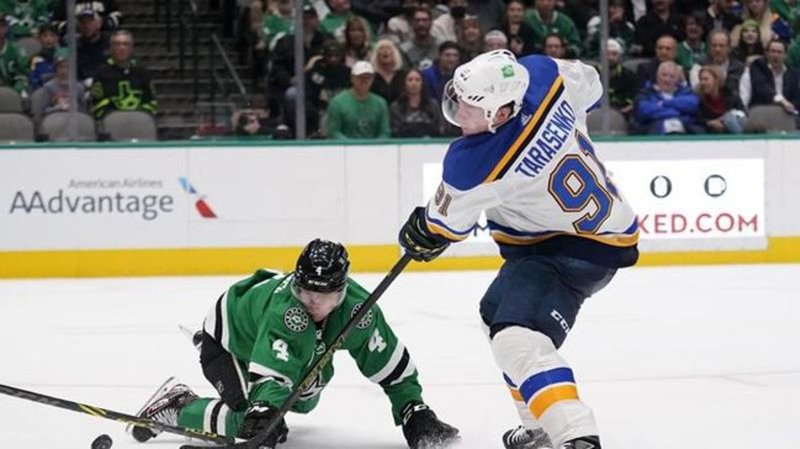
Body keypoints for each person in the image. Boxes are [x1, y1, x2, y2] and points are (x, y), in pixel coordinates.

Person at [397, 49, 639, 449]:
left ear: (501, 113)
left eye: (470, 107)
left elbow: (443, 227)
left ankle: (577, 436)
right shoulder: (542, 73)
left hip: (571, 248)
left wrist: (420, 230)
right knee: (494, 313)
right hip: (589, 229)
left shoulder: (475, 161)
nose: (458, 112)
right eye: (457, 98)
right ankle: (537, 426)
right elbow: (591, 83)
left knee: (518, 337)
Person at [130, 239, 459, 449]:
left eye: (323, 295)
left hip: (279, 343)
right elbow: (274, 375)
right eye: (305, 291)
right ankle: (178, 406)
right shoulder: (287, 313)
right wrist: (264, 410)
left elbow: (388, 363)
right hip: (228, 341)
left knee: (301, 403)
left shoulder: (359, 311)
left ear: (342, 292)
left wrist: (413, 408)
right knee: (249, 423)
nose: (312, 301)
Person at [90, 30, 156, 119]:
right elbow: (96, 104)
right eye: (117, 44)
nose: (121, 48)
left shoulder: (142, 73)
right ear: (111, 48)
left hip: (139, 122)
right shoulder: (101, 74)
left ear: (132, 48)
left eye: (126, 44)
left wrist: (140, 116)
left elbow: (151, 102)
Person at [326, 60, 390, 139]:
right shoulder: (337, 103)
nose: (364, 81)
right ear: (352, 78)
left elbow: (384, 132)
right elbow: (334, 132)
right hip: (345, 146)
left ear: (373, 79)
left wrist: (373, 144)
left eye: (368, 77)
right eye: (360, 77)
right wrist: (352, 144)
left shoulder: (381, 103)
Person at [634, 61, 700, 134]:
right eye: (664, 75)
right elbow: (644, 111)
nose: (667, 79)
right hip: (656, 133)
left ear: (677, 79)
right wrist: (679, 113)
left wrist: (663, 103)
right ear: (657, 76)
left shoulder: (685, 91)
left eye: (672, 76)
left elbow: (693, 105)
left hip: (685, 133)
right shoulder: (646, 92)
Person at [739, 39, 800, 113]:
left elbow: (796, 98)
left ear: (786, 55)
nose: (775, 55)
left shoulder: (793, 74)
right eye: (772, 51)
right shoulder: (758, 67)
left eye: (779, 52)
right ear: (767, 54)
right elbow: (761, 87)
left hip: (786, 114)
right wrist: (782, 101)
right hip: (762, 112)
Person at [390, 68, 443, 137]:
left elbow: (440, 128)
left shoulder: (433, 105)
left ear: (423, 83)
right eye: (410, 80)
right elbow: (394, 131)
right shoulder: (396, 107)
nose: (414, 83)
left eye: (417, 80)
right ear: (404, 83)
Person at [696, 65, 747, 133]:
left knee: (729, 118)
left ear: (716, 80)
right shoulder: (702, 101)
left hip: (734, 127)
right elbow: (700, 120)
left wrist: (722, 121)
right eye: (701, 79)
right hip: (713, 133)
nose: (702, 82)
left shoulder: (732, 96)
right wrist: (709, 123)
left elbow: (742, 114)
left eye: (706, 79)